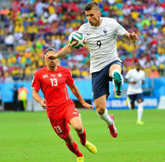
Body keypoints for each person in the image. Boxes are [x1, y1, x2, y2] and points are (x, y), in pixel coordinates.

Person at [46, 1, 139, 138]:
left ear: (99, 13)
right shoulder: (84, 29)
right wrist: (56, 55)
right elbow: (70, 46)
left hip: (112, 60)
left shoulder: (111, 24)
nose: (89, 18)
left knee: (115, 69)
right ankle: (110, 122)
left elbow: (129, 37)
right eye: (87, 16)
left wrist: (132, 38)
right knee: (100, 110)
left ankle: (116, 80)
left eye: (91, 15)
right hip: (96, 69)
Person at [32, 47, 97, 162]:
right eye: (49, 57)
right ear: (45, 59)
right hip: (53, 112)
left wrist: (82, 102)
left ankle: (84, 142)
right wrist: (41, 101)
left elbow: (73, 87)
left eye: (53, 56)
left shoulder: (65, 71)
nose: (51, 59)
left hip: (66, 105)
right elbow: (34, 92)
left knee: (78, 127)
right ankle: (79, 155)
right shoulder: (39, 74)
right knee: (68, 140)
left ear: (57, 58)